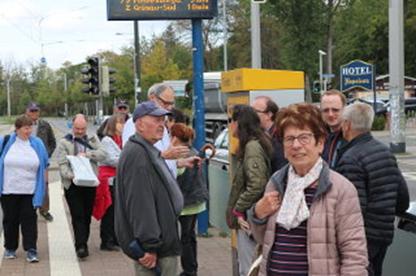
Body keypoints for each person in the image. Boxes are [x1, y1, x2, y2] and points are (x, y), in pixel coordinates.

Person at [249, 103, 368, 276]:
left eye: (304, 137)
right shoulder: (276, 183)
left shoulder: (340, 189)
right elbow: (262, 239)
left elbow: (354, 254)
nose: (296, 145)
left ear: (320, 144)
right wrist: (258, 214)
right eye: (289, 139)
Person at [335, 102, 409, 276]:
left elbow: (353, 209)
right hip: (384, 234)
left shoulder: (350, 159)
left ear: (347, 125)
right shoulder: (385, 151)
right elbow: (402, 199)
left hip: (362, 240)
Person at [115, 101, 184, 276]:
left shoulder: (146, 150)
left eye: (163, 120)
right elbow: (140, 205)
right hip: (155, 250)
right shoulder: (138, 155)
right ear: (139, 124)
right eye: (156, 120)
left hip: (161, 244)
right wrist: (149, 246)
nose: (162, 124)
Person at [226, 104, 272, 276]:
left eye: (232, 120)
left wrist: (238, 209)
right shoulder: (255, 143)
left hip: (248, 218)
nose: (230, 125)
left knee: (249, 268)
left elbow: (257, 184)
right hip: (251, 215)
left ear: (240, 123)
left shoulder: (252, 147)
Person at [56, 114, 107, 259]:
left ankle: (83, 240)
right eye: (77, 128)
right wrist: (71, 175)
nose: (80, 131)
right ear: (72, 126)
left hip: (89, 183)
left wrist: (88, 154)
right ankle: (81, 246)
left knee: (86, 215)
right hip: (72, 184)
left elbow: (103, 154)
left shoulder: (92, 139)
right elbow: (62, 164)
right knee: (77, 214)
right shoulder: (64, 142)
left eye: (83, 128)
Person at [0, 115, 49, 263]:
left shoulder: (37, 143)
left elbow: (45, 163)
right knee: (10, 220)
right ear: (17, 128)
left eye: (31, 127)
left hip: (30, 190)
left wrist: (45, 183)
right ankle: (10, 248)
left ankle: (31, 249)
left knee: (29, 220)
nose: (29, 131)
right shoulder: (6, 141)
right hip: (9, 189)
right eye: (26, 128)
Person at [122, 83, 194, 177]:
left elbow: (162, 159)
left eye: (171, 103)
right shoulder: (135, 123)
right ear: (152, 98)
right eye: (165, 103)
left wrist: (178, 163)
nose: (169, 108)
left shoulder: (162, 126)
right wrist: (164, 155)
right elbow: (133, 159)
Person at [170, 123, 208, 276]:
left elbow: (174, 174)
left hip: (186, 202)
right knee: (190, 236)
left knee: (185, 238)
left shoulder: (181, 154)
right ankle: (192, 267)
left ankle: (189, 270)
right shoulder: (192, 151)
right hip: (196, 200)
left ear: (175, 138)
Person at [93, 113, 125, 251]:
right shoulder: (107, 140)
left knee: (118, 212)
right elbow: (111, 159)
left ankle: (116, 238)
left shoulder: (120, 139)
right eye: (119, 122)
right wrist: (126, 159)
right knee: (109, 211)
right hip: (108, 180)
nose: (122, 125)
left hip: (118, 178)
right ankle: (106, 240)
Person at [25, 102, 56, 222]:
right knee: (28, 184)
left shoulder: (45, 125)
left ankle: (44, 210)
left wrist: (46, 155)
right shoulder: (21, 124)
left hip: (42, 162)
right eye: (31, 111)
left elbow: (52, 142)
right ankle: (29, 208)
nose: (34, 113)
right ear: (27, 111)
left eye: (36, 111)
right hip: (26, 161)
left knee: (44, 185)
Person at [251, 96, 287, 173]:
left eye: (255, 112)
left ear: (269, 114)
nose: (251, 116)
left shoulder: (278, 135)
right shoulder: (262, 135)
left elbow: (280, 168)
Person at [320, 89, 347, 168]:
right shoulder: (317, 136)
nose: (330, 114)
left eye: (335, 110)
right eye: (326, 110)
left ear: (345, 109)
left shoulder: (352, 137)